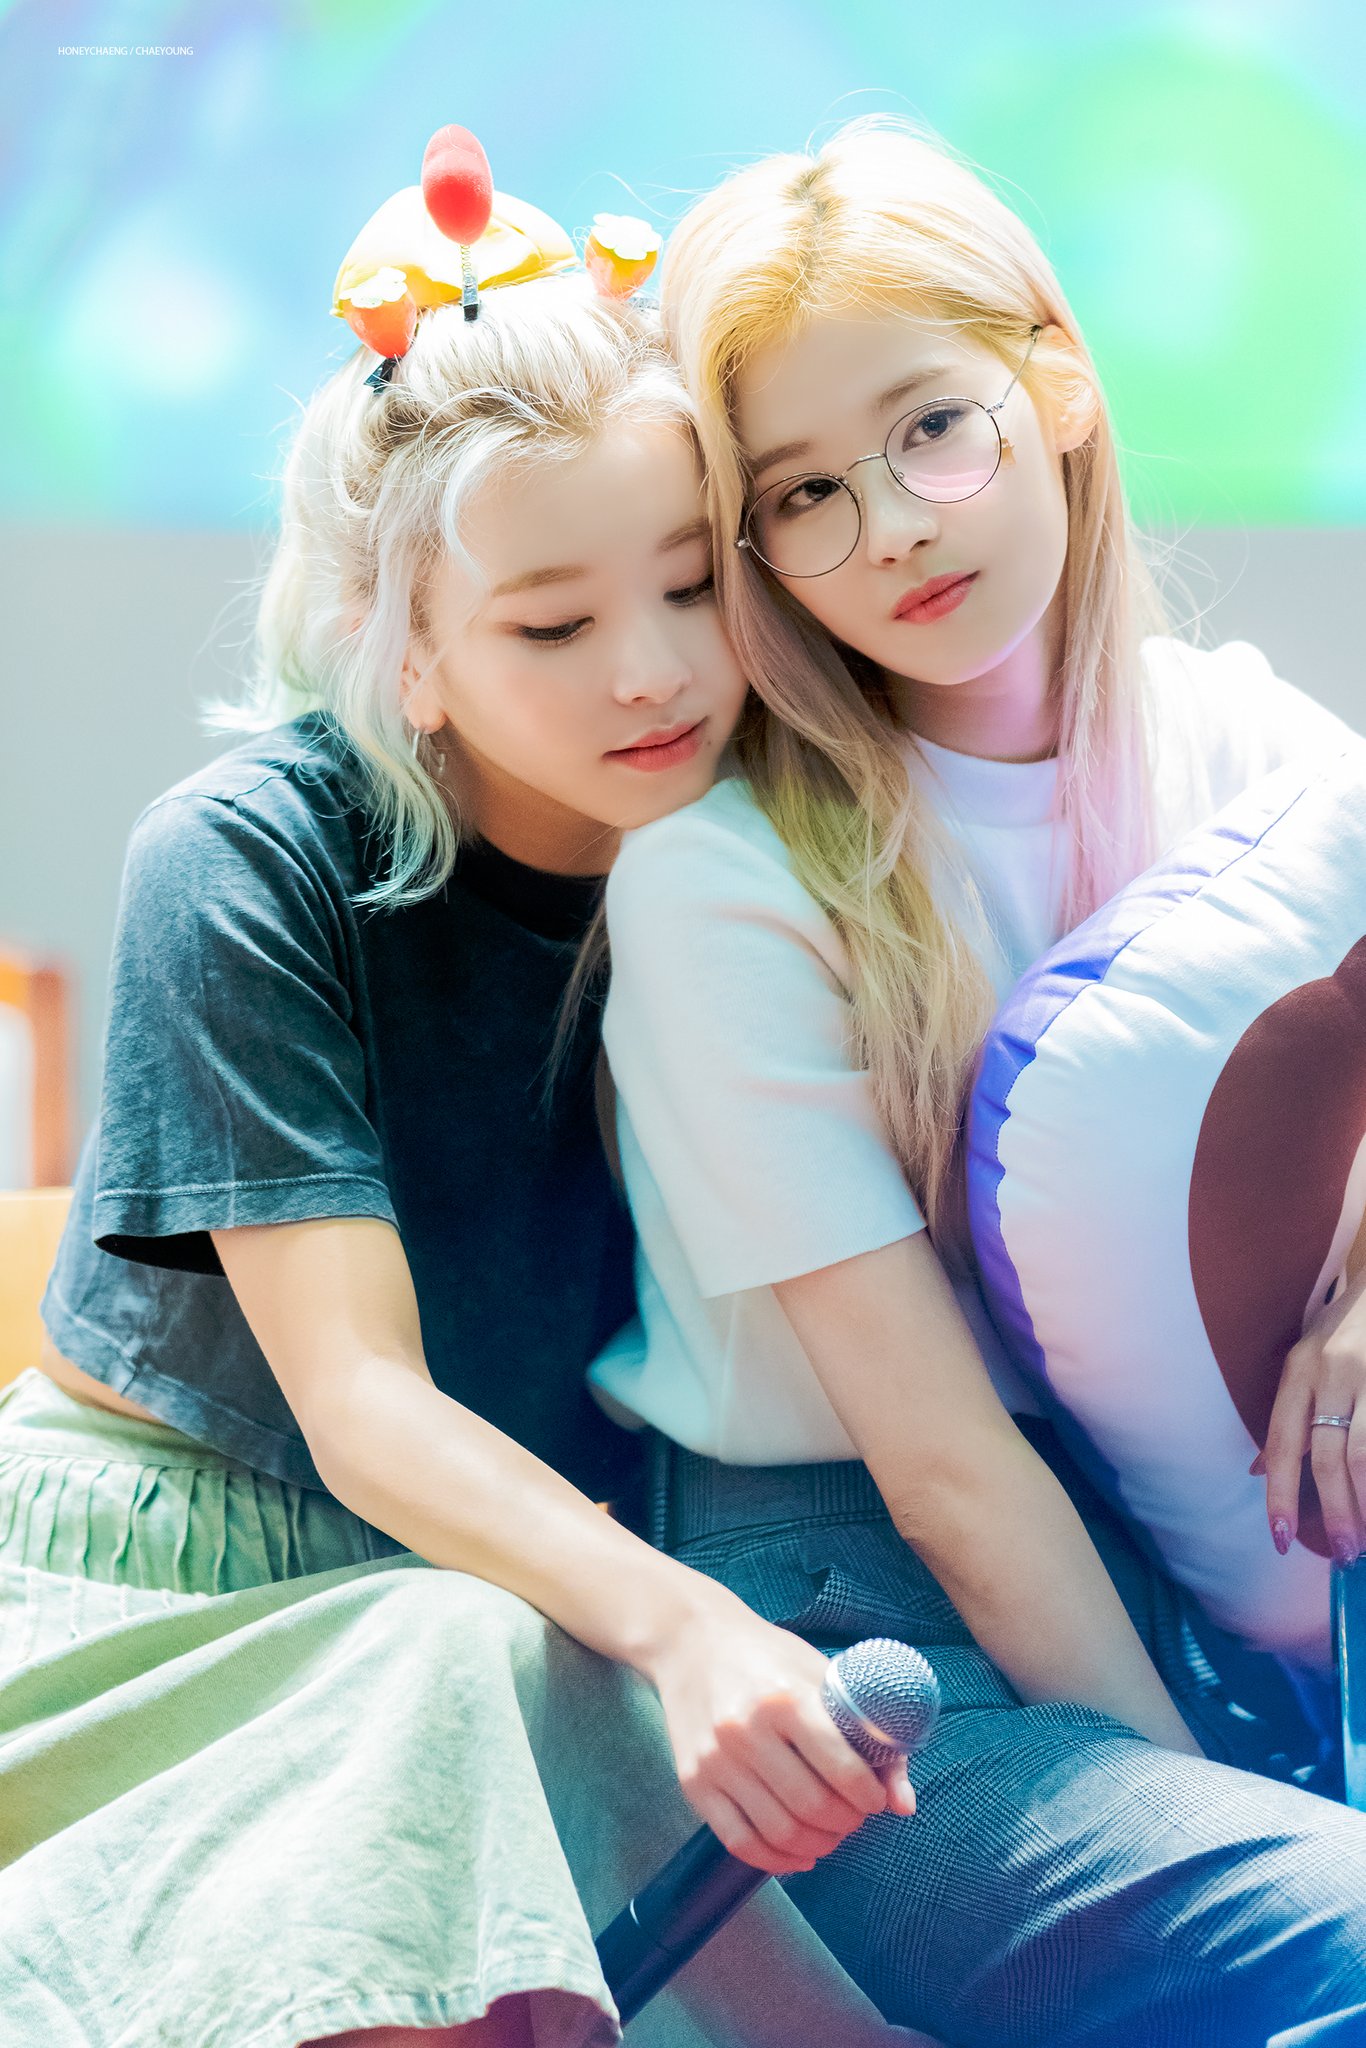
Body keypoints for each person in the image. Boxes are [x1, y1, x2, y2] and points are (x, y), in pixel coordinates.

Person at [0, 141, 919, 2048]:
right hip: (184, 1583)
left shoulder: (762, 850)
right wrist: (681, 1623)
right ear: (403, 650)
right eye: (552, 626)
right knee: (466, 1676)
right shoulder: (246, 860)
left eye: (693, 586)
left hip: (543, 1586)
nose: (654, 673)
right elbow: (361, 1407)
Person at [589, 118, 1366, 2046]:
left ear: (1060, 383)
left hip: (1194, 1533)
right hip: (874, 1631)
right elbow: (949, 1473)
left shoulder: (1243, 738)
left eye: (931, 427)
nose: (891, 530)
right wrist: (1244, 1793)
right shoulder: (723, 883)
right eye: (803, 493)